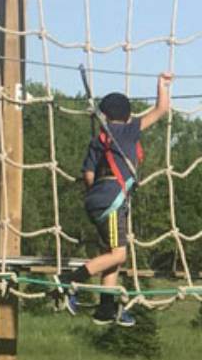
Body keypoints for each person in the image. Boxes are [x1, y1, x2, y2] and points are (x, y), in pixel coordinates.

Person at [60, 72, 173, 326]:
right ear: (127, 116)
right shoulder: (128, 130)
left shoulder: (98, 139)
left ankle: (106, 308)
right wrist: (162, 85)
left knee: (109, 254)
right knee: (119, 255)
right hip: (113, 200)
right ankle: (70, 279)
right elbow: (161, 109)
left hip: (96, 200)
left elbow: (88, 175)